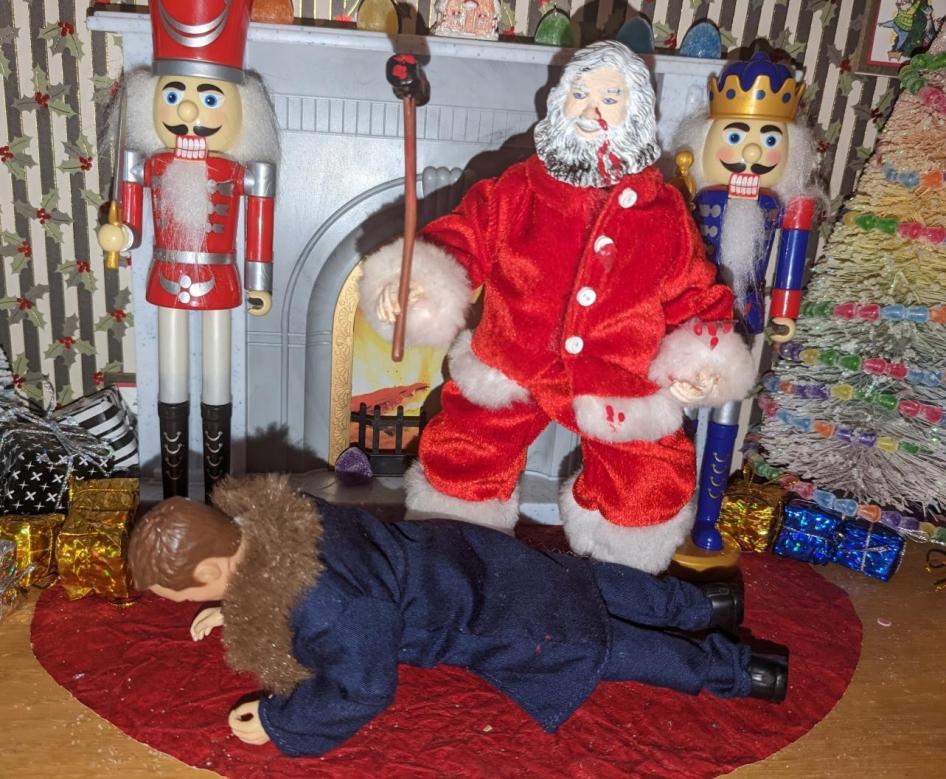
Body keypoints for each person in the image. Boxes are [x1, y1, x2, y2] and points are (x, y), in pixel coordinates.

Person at [358, 41, 756, 575]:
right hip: (512, 359)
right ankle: (450, 560)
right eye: (580, 93)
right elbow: (461, 239)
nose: (592, 108)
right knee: (466, 453)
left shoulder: (664, 214)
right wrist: (415, 283)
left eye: (610, 97)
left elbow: (695, 293)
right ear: (558, 103)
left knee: (646, 479)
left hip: (617, 375)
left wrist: (701, 362)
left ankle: (623, 577)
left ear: (637, 113)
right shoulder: (515, 189)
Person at [127, 474, 788, 757]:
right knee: (581, 580)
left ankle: (740, 670)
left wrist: (281, 720)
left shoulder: (331, 606)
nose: (181, 603)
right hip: (464, 556)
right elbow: (270, 575)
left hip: (477, 613)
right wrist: (239, 607)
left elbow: (361, 685)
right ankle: (706, 602)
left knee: (593, 644)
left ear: (210, 571)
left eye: (180, 593)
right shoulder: (281, 515)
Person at [97, 0, 279, 499]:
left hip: (220, 279)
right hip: (166, 276)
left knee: (218, 384)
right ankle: (175, 497)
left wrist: (259, 282)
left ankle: (217, 498)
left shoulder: (242, 172)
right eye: (174, 94)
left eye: (209, 97)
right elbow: (130, 226)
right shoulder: (148, 165)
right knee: (171, 381)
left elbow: (260, 226)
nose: (189, 111)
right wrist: (119, 236)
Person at [672, 53, 819, 556]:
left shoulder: (783, 204)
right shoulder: (693, 195)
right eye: (736, 136)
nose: (753, 150)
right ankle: (673, 508)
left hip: (745, 321)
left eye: (769, 140)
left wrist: (786, 312)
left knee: (725, 419)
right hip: (692, 323)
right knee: (684, 415)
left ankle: (707, 519)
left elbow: (790, 262)